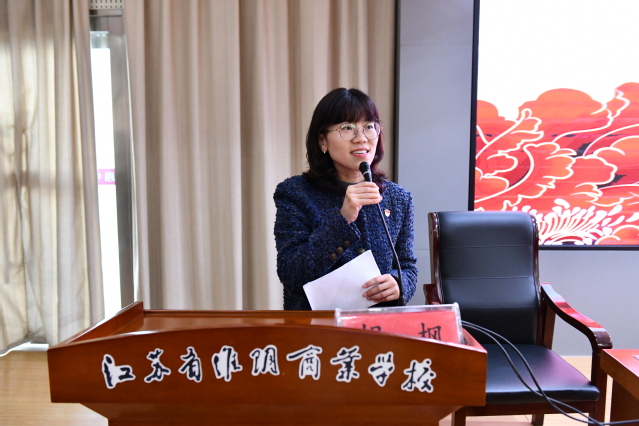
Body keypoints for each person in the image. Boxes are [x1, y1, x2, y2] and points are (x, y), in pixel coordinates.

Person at [273, 88, 417, 310]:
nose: (361, 138)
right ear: (322, 141)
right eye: (347, 128)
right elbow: (291, 273)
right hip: (315, 325)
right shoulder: (295, 193)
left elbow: (407, 267)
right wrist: (343, 219)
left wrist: (399, 284)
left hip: (377, 325)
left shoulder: (398, 199)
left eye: (369, 127)